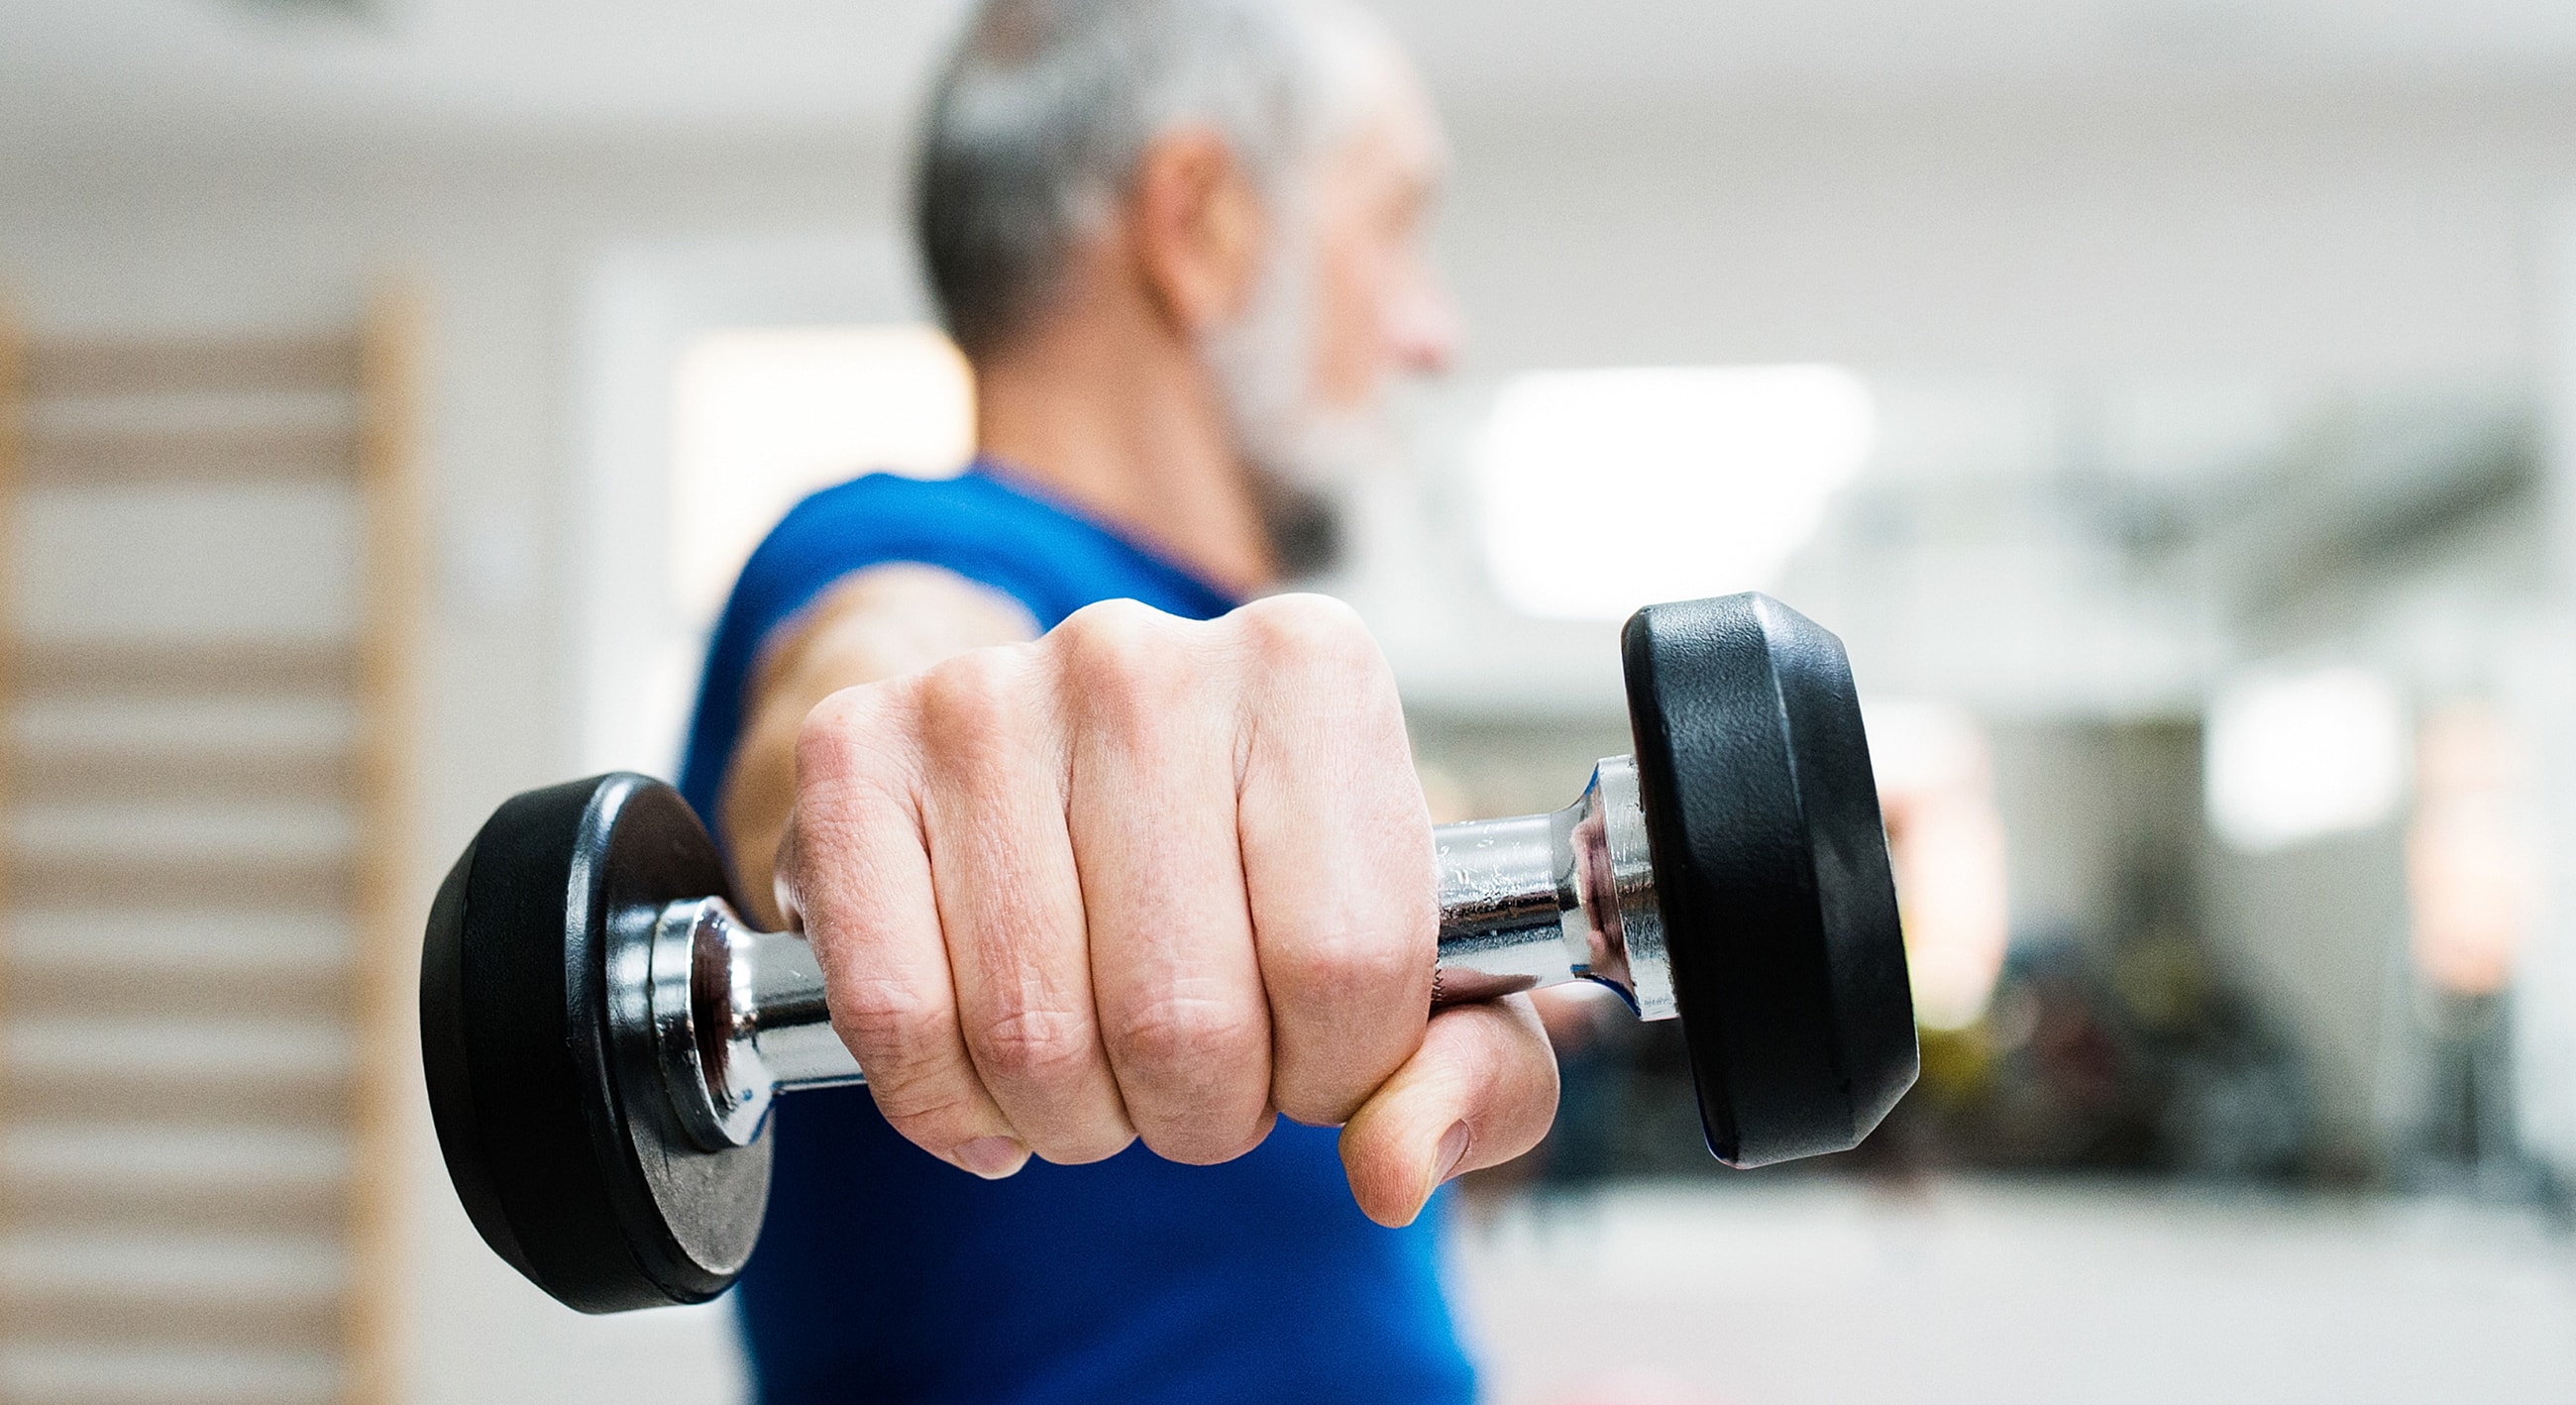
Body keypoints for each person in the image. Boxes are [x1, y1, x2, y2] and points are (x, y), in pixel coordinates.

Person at [676, 1, 1557, 1399]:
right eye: (1395, 227)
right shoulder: (907, 548)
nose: (1433, 332)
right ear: (1199, 226)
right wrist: (913, 776)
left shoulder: (1237, 689)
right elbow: (879, 690)